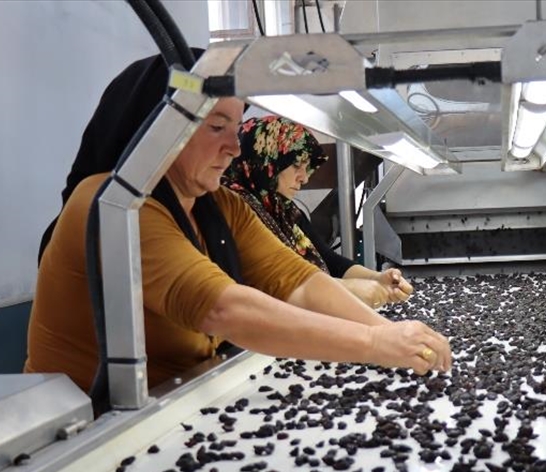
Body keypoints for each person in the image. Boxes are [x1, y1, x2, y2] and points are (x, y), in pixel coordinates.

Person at [26, 68, 452, 395]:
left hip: (172, 406)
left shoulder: (219, 206)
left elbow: (300, 282)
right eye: (215, 127)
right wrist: (374, 343)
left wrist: (393, 335)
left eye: (235, 127)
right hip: (85, 437)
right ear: (159, 132)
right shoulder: (114, 205)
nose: (232, 147)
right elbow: (222, 309)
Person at [222, 115, 413, 308]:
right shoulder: (235, 210)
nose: (304, 178)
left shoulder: (286, 211)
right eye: (297, 165)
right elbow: (275, 282)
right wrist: (350, 289)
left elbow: (330, 261)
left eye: (307, 168)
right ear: (266, 160)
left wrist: (378, 278)